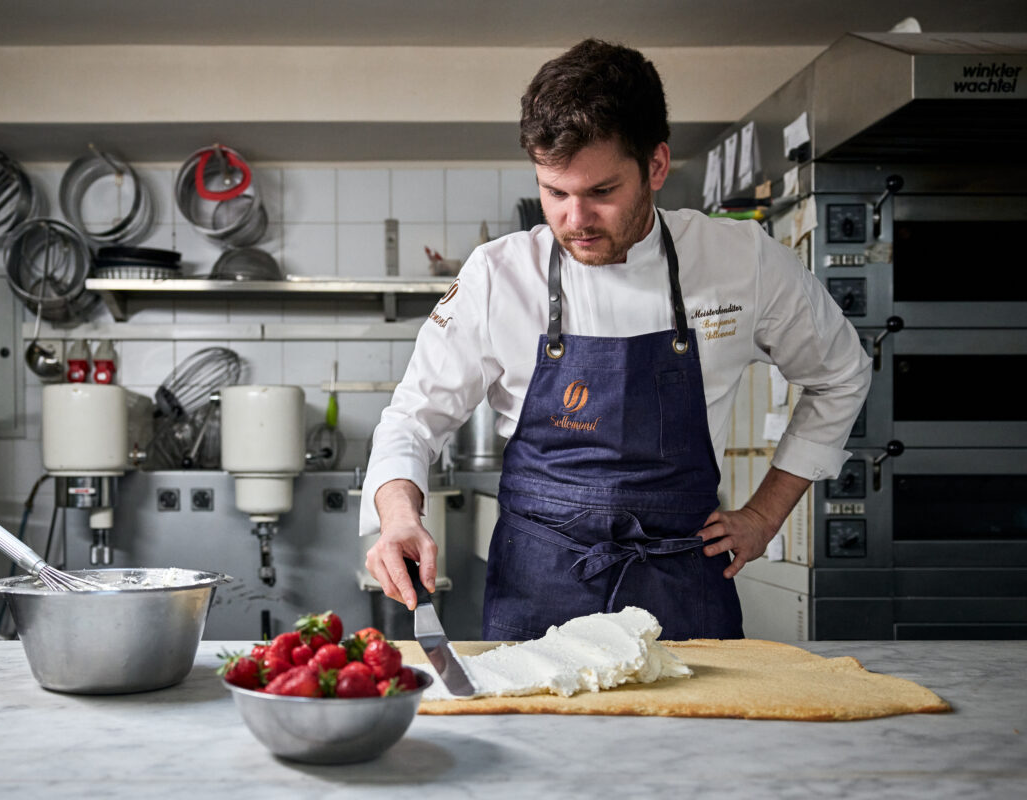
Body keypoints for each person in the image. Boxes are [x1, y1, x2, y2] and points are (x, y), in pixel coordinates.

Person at [359, 38, 872, 641]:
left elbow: (841, 373)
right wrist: (397, 518)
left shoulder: (740, 261)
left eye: (601, 192)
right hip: (538, 581)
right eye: (555, 193)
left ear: (656, 166)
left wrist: (764, 516)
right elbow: (413, 419)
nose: (575, 220)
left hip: (679, 581)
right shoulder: (498, 276)